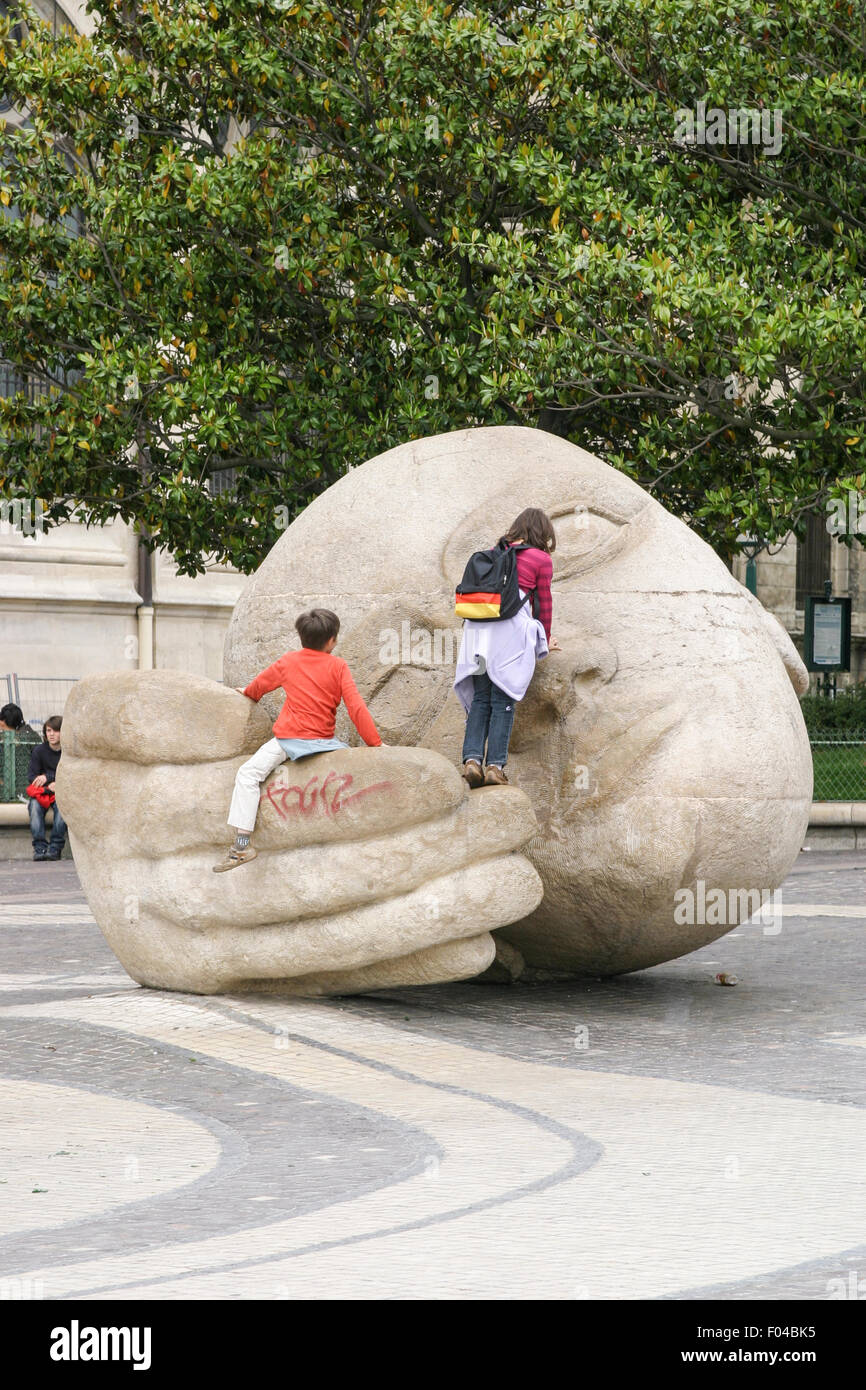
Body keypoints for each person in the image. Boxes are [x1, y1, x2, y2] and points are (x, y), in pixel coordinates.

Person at [214, 607, 383, 871]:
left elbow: (259, 687)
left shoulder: (288, 661)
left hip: (287, 741)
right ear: (332, 640)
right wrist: (376, 743)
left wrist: (247, 691)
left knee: (248, 774)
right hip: (324, 743)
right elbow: (356, 707)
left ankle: (241, 844)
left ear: (301, 637)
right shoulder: (338, 666)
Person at [454, 507, 561, 788]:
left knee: (480, 698)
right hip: (508, 634)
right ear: (543, 534)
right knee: (503, 700)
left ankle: (471, 760)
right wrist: (545, 636)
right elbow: (544, 603)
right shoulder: (540, 559)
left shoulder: (493, 552)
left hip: (477, 634)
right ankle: (495, 766)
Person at [27, 715, 66, 861]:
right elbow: (32, 776)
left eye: (56, 731)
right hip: (43, 792)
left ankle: (55, 848)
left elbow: (70, 774)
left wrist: (49, 778)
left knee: (62, 809)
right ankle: (40, 848)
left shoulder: (67, 753)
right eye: (48, 730)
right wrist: (49, 781)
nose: (51, 734)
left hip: (61, 792)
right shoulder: (39, 751)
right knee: (34, 807)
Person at [0, 702, 41, 802]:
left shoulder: (25, 738)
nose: (2, 730)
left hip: (23, 787)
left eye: (3, 727)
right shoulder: (32, 735)